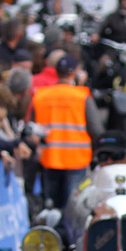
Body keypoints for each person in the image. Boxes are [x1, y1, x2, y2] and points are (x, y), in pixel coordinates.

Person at [31, 54, 99, 211]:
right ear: (75, 71)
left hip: (50, 158)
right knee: (73, 207)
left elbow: (33, 128)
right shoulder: (82, 96)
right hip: (76, 159)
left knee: (51, 207)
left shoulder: (41, 95)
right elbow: (96, 129)